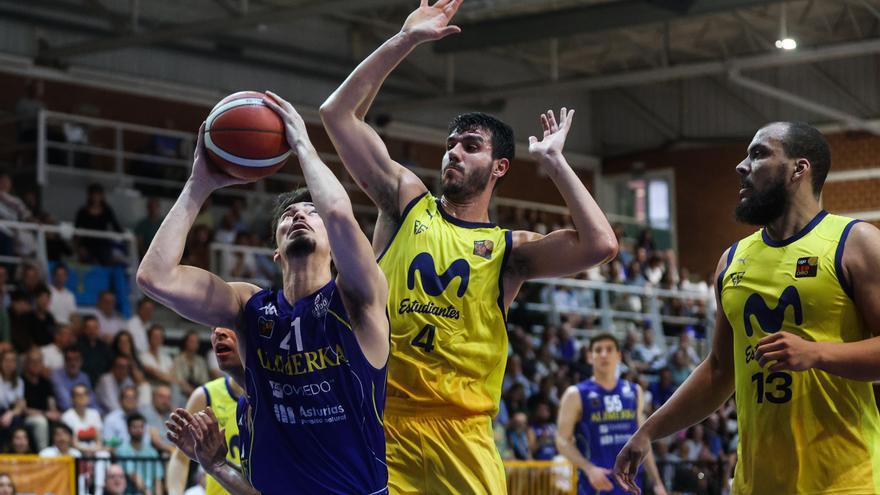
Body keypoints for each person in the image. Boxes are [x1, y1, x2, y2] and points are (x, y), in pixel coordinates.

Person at [319, 1, 617, 491]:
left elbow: (600, 244)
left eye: (470, 145)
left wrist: (555, 164)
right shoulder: (406, 203)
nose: (453, 151)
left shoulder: (510, 250)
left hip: (464, 435)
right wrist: (405, 39)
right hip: (382, 422)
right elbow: (337, 114)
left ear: (499, 167)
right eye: (451, 143)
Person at [140, 92, 389, 494]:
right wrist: (199, 184)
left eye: (311, 212)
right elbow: (155, 277)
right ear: (275, 248)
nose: (299, 216)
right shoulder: (250, 306)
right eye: (289, 215)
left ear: (335, 240)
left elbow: (340, 214)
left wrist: (303, 144)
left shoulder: (358, 297)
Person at [614, 122, 880, 494]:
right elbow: (720, 370)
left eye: (758, 154)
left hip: (845, 481)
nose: (742, 166)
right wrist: (649, 431)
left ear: (798, 169)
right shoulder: (732, 260)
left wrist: (817, 353)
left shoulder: (856, 243)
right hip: (754, 484)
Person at [556, 334, 666, 495]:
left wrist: (657, 483)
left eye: (609, 349)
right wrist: (589, 468)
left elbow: (643, 441)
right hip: (597, 483)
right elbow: (562, 440)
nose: (604, 354)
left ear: (619, 356)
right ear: (589, 356)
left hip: (631, 483)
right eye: (598, 350)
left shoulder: (634, 391)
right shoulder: (576, 394)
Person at [167, 327, 244, 495]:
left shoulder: (275, 394)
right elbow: (180, 457)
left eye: (229, 326)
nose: (218, 333)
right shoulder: (205, 395)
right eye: (213, 329)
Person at [116, 412, 164, 495]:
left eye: (141, 427)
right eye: (135, 427)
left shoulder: (152, 452)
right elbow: (132, 475)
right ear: (128, 429)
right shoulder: (122, 451)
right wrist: (146, 491)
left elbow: (158, 480)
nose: (138, 430)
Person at [52, 347, 98, 412]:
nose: (73, 363)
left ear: (81, 361)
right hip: (67, 414)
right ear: (64, 361)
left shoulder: (84, 377)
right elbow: (65, 404)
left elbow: (92, 401)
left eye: (76, 359)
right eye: (69, 360)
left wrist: (96, 413)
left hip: (85, 413)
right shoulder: (56, 376)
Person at [173, 331, 210, 398]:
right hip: (182, 392)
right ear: (186, 342)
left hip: (198, 391)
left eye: (196, 342)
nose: (194, 344)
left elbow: (205, 380)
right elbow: (179, 379)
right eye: (191, 341)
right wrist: (191, 392)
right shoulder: (178, 359)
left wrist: (199, 392)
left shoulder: (201, 361)